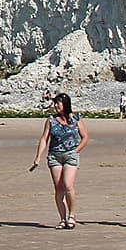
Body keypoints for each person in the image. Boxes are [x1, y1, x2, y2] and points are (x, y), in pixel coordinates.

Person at [32, 94, 87, 229]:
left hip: (70, 155)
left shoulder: (75, 118)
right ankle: (62, 219)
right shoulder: (51, 120)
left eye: (59, 103)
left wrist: (76, 151)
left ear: (66, 104)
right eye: (55, 103)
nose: (56, 106)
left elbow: (85, 137)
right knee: (59, 188)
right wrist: (38, 157)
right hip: (55, 156)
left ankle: (72, 216)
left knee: (68, 185)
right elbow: (44, 139)